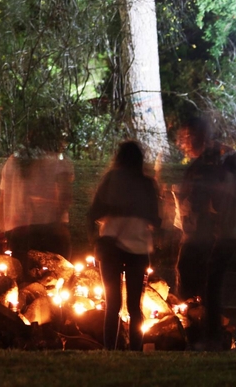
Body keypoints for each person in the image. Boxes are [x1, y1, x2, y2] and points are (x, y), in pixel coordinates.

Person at [89, 141, 161, 351]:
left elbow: (94, 212)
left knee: (112, 304)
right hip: (138, 248)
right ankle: (136, 350)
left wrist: (94, 238)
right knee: (134, 306)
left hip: (110, 245)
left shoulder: (110, 179)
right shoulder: (146, 184)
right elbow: (155, 219)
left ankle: (109, 349)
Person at [175, 116, 236, 347]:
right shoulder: (220, 161)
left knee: (196, 285)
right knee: (210, 289)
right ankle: (207, 335)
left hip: (207, 238)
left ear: (195, 136)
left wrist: (185, 199)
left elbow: (205, 203)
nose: (182, 143)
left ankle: (195, 335)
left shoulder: (205, 167)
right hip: (220, 236)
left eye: (185, 137)